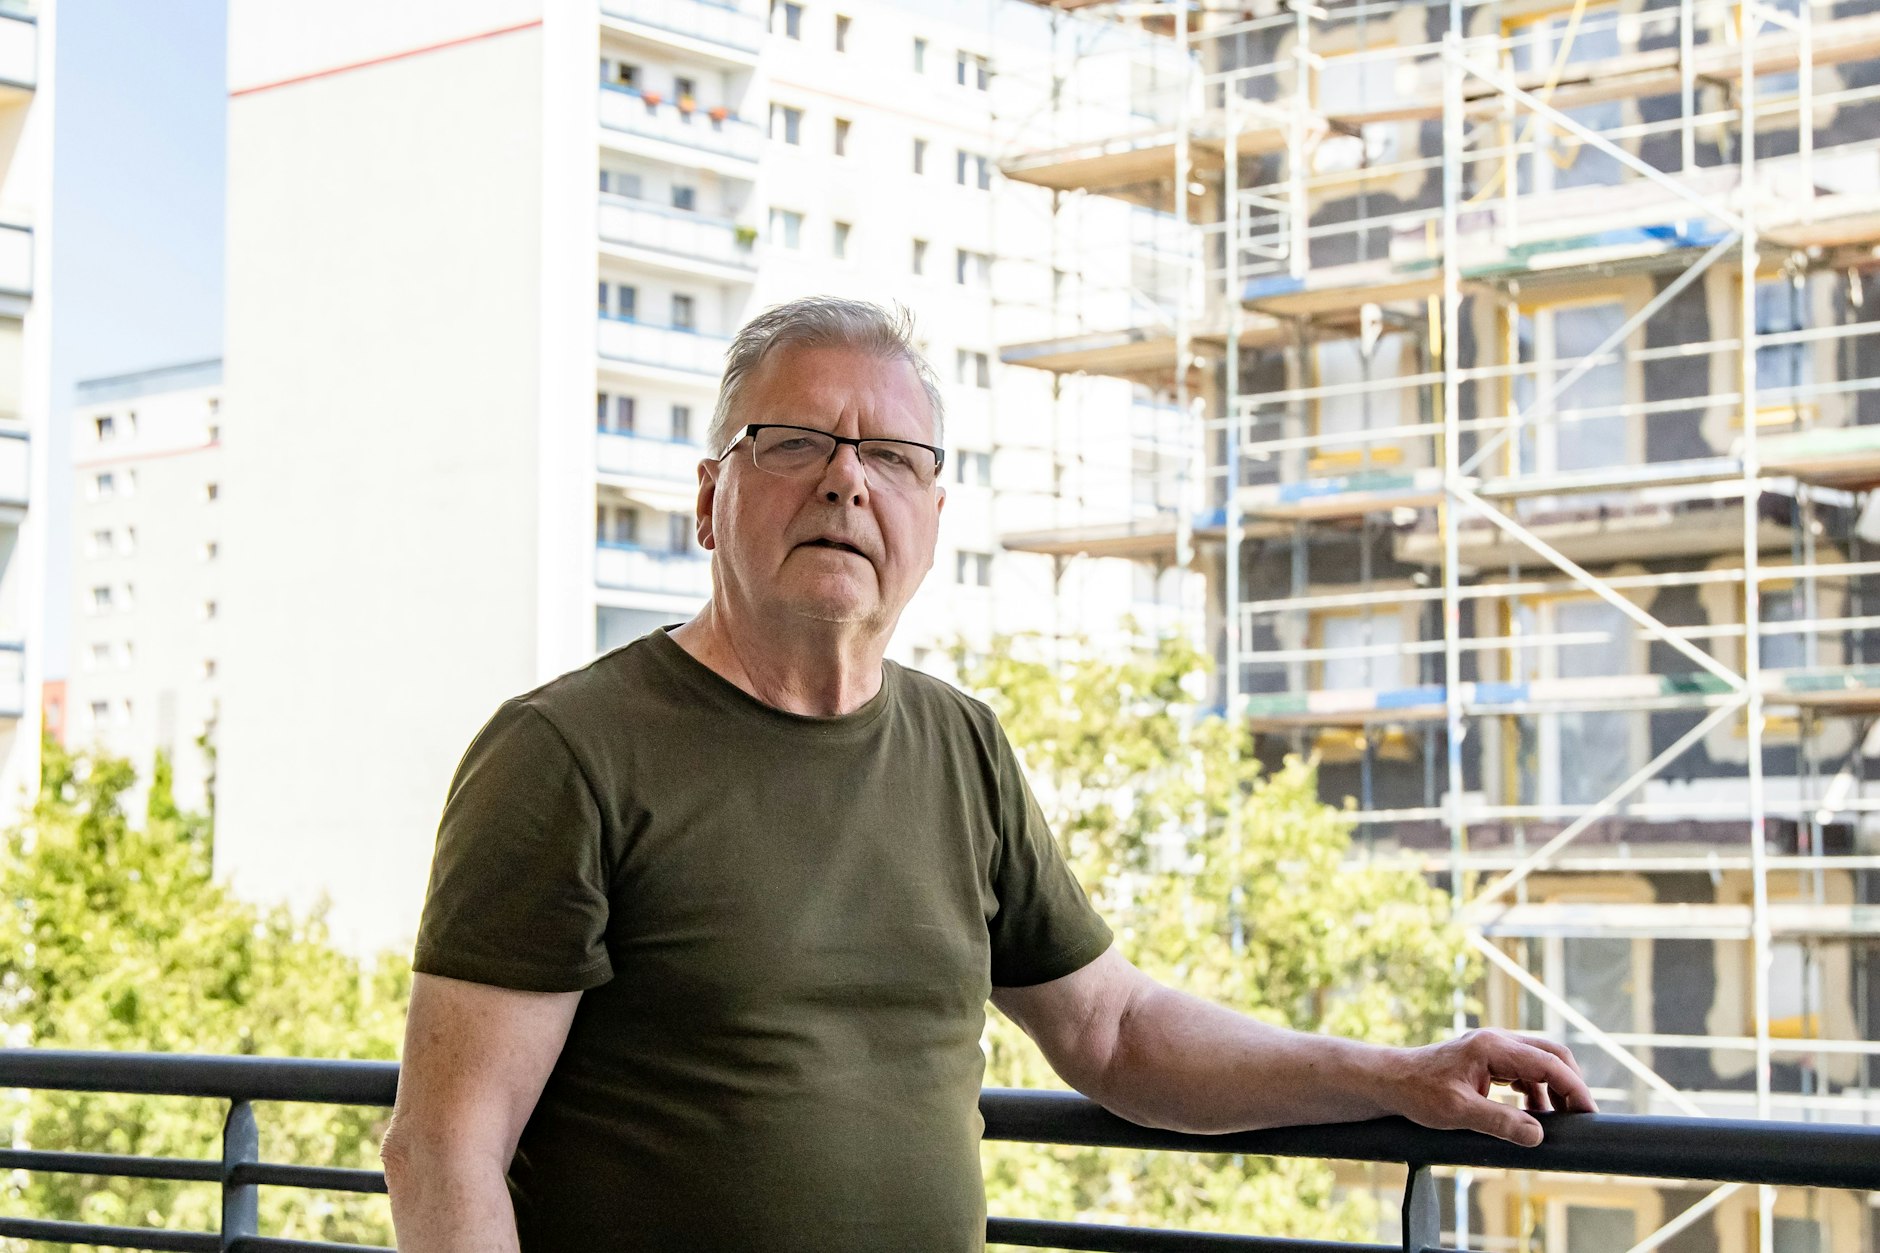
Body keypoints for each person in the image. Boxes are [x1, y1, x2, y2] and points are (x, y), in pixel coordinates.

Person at [379, 297, 1595, 1252]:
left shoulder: (961, 748)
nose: (845, 479)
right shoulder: (566, 752)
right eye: (793, 443)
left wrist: (1393, 1075)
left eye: (890, 455)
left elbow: (1113, 1030)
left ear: (931, 513)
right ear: (709, 500)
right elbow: (442, 1147)